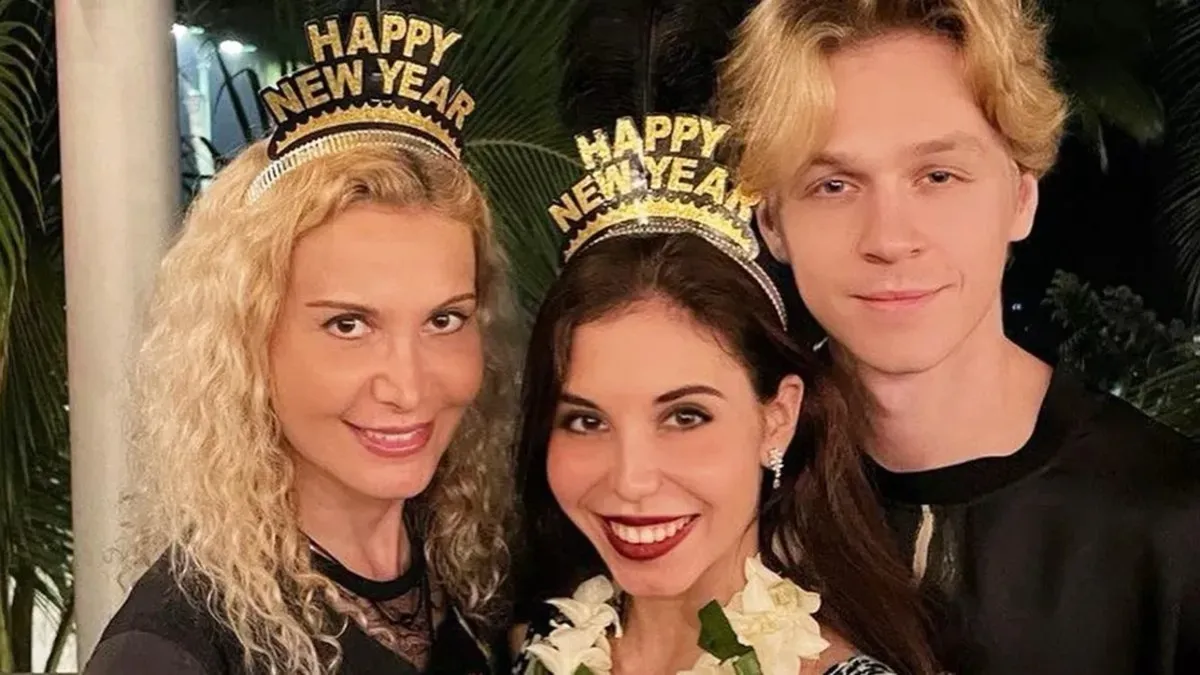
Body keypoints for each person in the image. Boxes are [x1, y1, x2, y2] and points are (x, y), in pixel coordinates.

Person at [718, 1, 1200, 673]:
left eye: (938, 176)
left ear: (1022, 197)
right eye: (833, 185)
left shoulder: (1173, 526)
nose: (889, 238)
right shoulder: (714, 494)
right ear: (771, 222)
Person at [84, 11, 517, 675]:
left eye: (444, 320)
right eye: (349, 325)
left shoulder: (471, 574)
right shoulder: (172, 649)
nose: (408, 386)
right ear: (248, 342)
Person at [510, 113, 940, 675]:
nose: (631, 481)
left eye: (685, 416)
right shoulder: (532, 648)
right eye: (587, 422)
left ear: (777, 418)